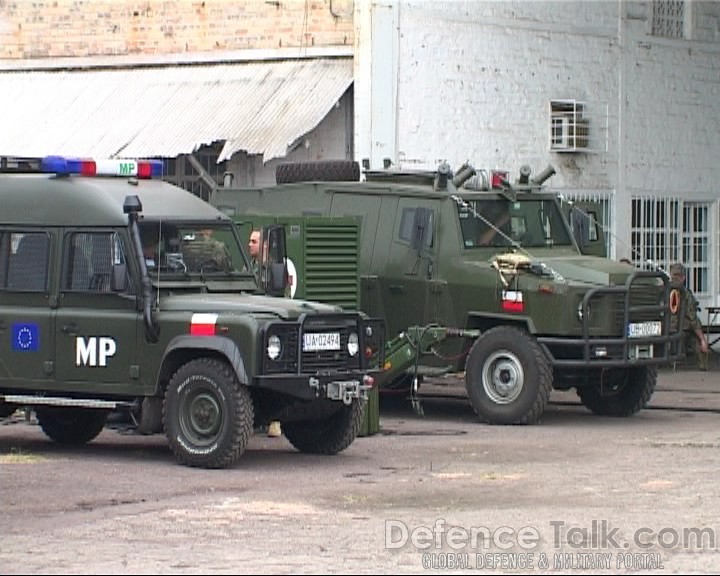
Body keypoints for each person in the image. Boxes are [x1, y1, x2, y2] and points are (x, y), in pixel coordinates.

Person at [249, 229, 282, 439]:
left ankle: (274, 421)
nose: (249, 244)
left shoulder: (272, 269)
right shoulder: (248, 268)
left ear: (265, 246)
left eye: (253, 241)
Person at [670, 262, 709, 370]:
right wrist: (702, 339)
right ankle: (702, 365)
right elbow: (693, 319)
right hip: (682, 329)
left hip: (665, 328)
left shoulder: (664, 290)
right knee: (698, 339)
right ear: (683, 278)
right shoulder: (686, 294)